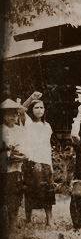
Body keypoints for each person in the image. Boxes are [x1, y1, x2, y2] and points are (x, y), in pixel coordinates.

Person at [20, 91, 55, 226]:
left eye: (41, 107)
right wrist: (31, 99)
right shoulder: (27, 122)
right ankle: (28, 219)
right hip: (31, 161)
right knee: (30, 190)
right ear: (32, 110)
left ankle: (49, 219)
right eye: (36, 107)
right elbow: (21, 110)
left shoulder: (47, 126)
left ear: (44, 110)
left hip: (45, 161)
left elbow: (47, 146)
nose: (39, 110)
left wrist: (50, 165)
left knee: (48, 191)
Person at [1, 99, 28, 228]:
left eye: (15, 114)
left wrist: (22, 153)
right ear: (3, 116)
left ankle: (13, 221)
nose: (13, 117)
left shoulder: (20, 130)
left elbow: (25, 147)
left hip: (16, 168)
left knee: (15, 196)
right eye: (9, 114)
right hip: (3, 168)